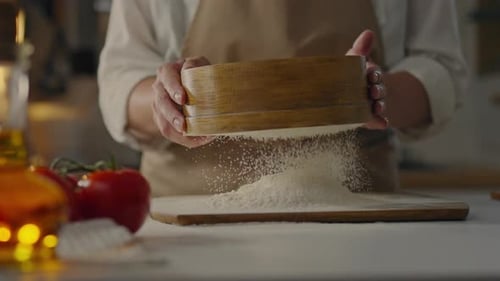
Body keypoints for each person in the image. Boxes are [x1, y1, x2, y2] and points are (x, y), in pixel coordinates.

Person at [98, 0, 467, 196]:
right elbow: (120, 79)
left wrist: (375, 94)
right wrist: (167, 101)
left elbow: (440, 67)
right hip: (189, 221)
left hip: (357, 214)